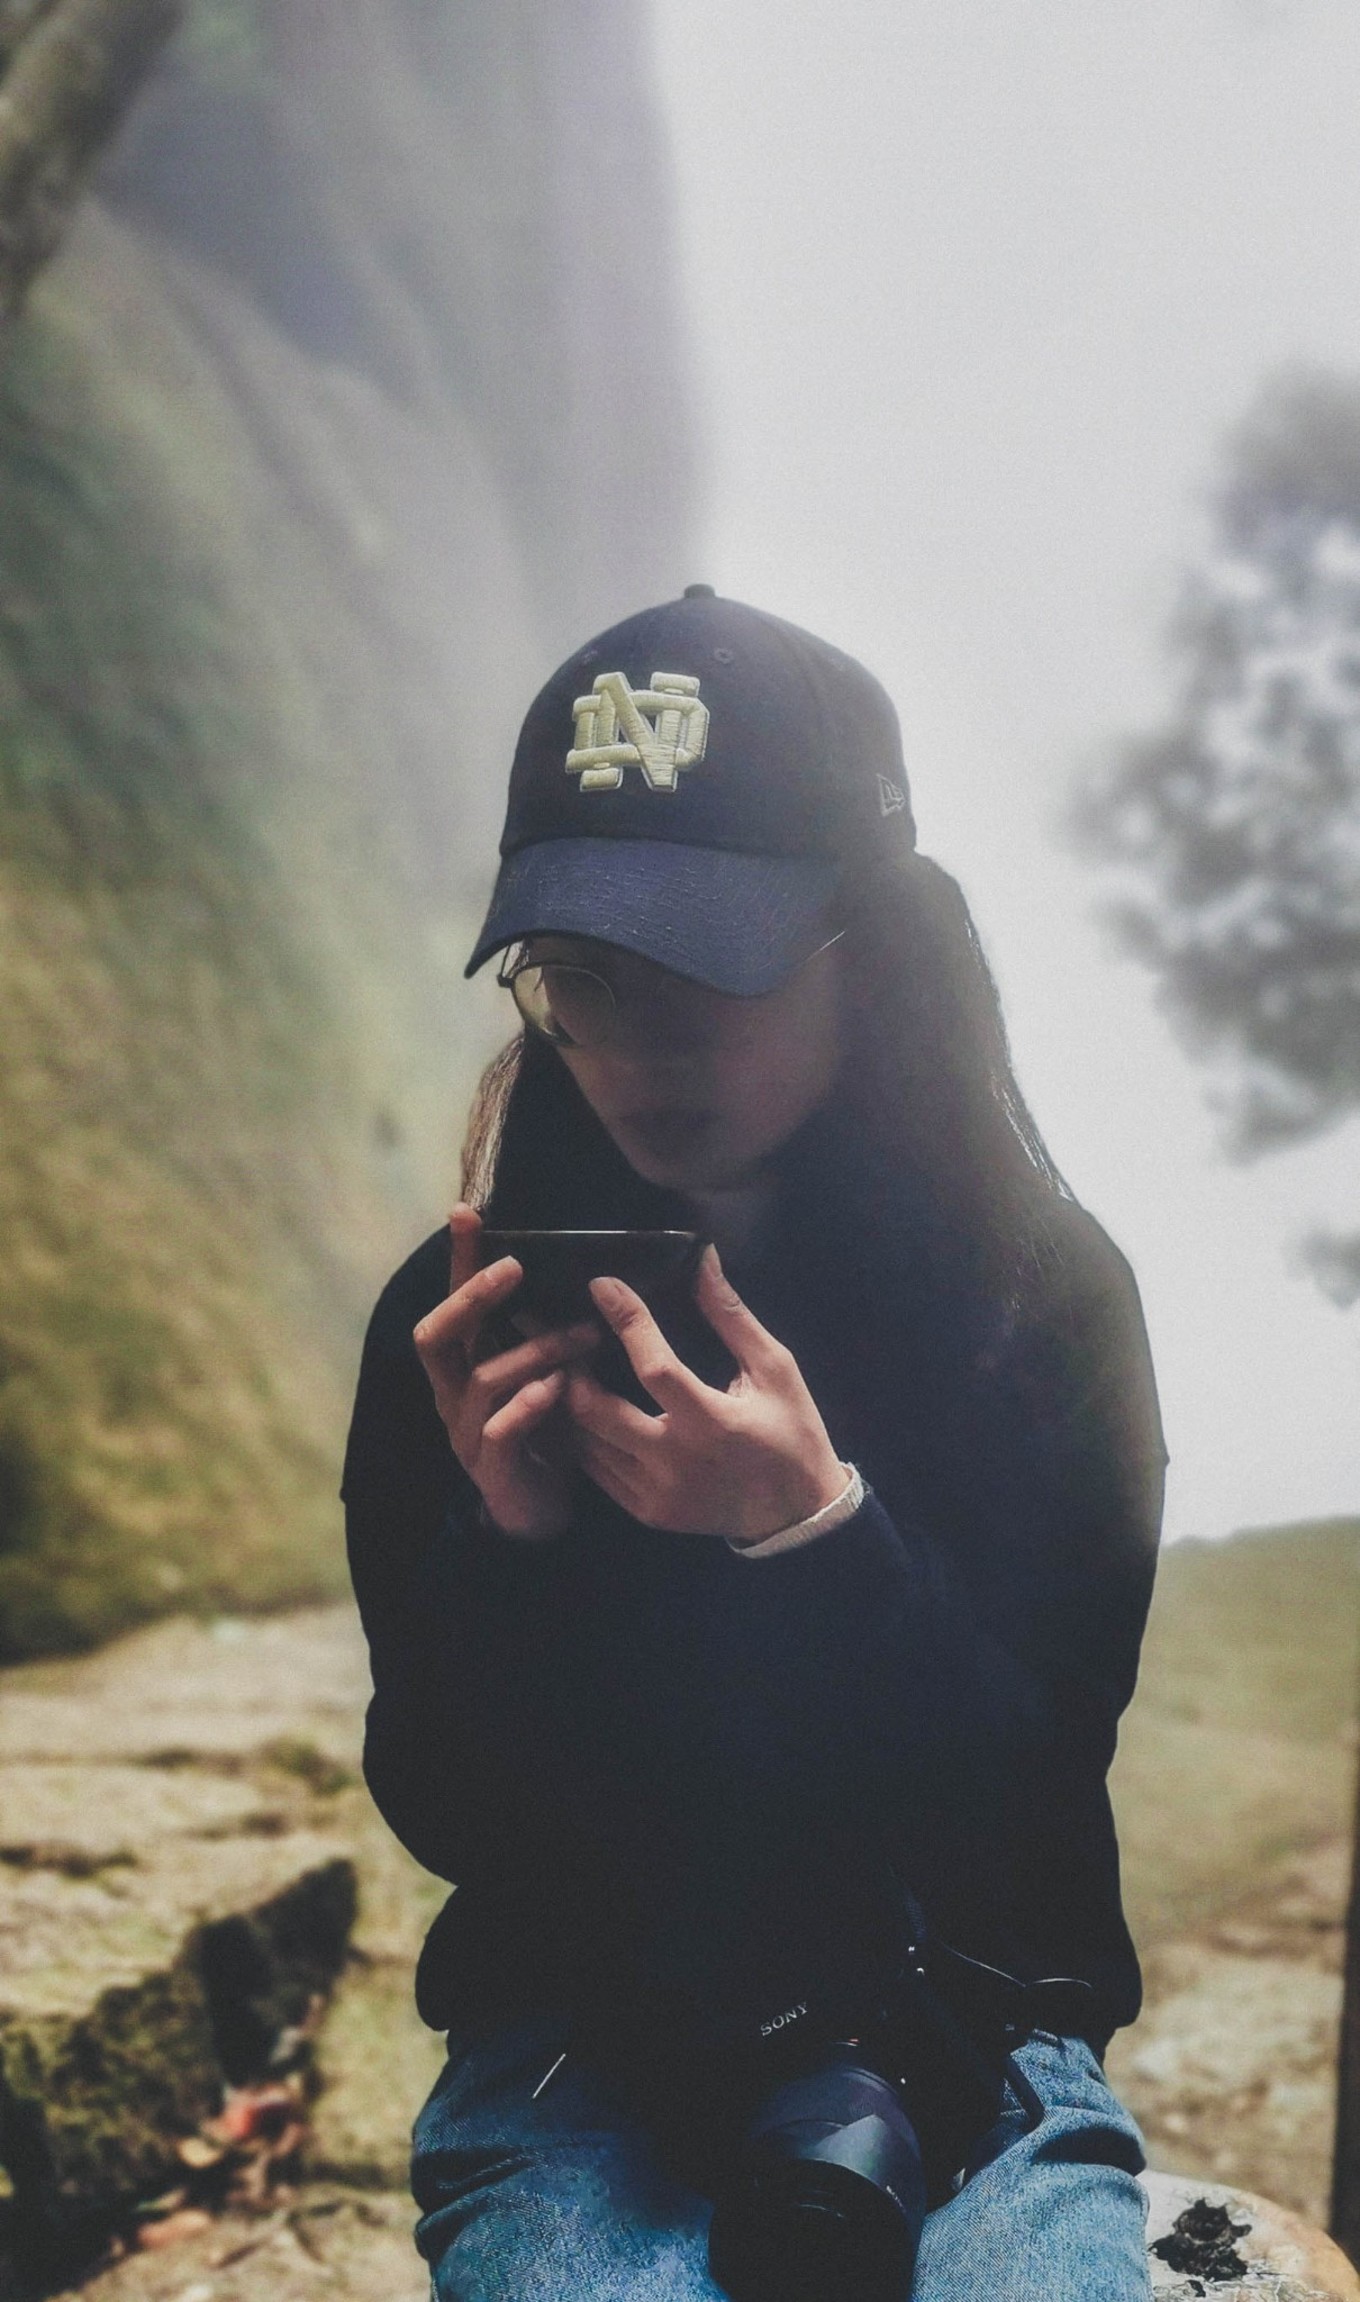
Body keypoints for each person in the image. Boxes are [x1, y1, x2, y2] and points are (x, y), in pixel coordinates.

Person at [342, 587, 1168, 2301]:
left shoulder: (1042, 1300)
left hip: (975, 2028)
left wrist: (818, 1535)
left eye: (711, 969)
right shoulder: (464, 1317)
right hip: (579, 2048)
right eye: (582, 980)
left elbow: (1027, 1797)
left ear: (876, 951)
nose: (641, 1043)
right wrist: (510, 1544)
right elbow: (447, 1808)